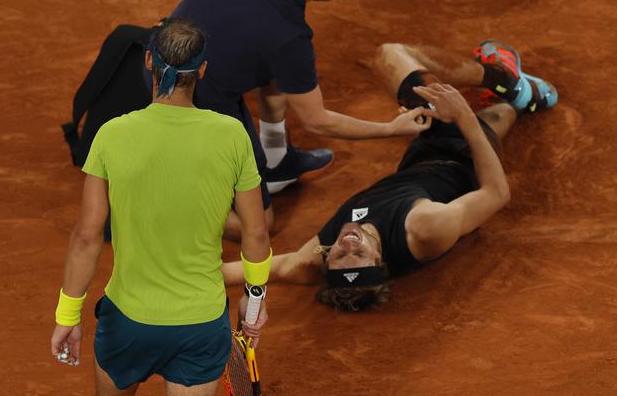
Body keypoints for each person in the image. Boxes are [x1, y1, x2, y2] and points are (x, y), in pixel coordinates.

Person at [49, 18, 274, 396]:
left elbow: (87, 234)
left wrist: (68, 314)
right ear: (203, 71)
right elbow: (255, 233)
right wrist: (253, 308)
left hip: (126, 320)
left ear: (150, 65)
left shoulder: (113, 136)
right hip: (201, 325)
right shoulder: (230, 135)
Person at [221, 40, 558, 311]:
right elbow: (496, 193)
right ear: (380, 257)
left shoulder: (313, 259)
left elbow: (248, 271)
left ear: (327, 260)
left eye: (340, 255)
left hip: (417, 162)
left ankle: (519, 99)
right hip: (463, 156)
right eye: (359, 253)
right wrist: (463, 115)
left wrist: (174, 279)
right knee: (391, 55)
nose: (348, 244)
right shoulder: (425, 228)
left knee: (497, 113)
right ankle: (505, 79)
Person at [169, 0, 431, 236]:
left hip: (159, 54)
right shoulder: (290, 39)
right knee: (257, 225)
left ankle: (276, 160)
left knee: (277, 75)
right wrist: (392, 129)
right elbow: (317, 122)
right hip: (189, 102)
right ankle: (155, 203)